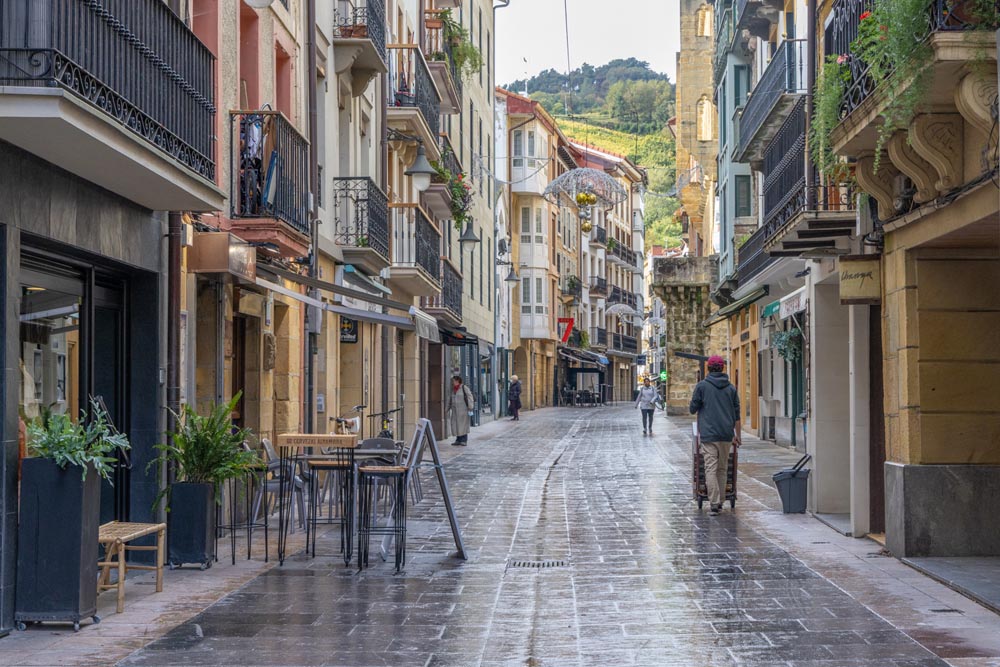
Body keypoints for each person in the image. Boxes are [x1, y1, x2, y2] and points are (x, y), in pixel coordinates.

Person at [689, 355, 741, 516]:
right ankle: (722, 501)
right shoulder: (731, 388)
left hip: (708, 434)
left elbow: (692, 408)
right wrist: (737, 435)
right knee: (722, 468)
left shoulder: (702, 386)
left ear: (709, 369)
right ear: (723, 369)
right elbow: (737, 414)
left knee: (710, 468)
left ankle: (714, 503)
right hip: (726, 434)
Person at [447, 375, 475, 446]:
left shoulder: (464, 387)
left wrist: (470, 406)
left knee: (463, 425)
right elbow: (450, 400)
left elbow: (470, 396)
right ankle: (458, 439)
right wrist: (447, 408)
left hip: (463, 411)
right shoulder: (453, 390)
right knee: (456, 425)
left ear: (457, 381)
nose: (452, 382)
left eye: (453, 381)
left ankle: (464, 440)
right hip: (455, 411)